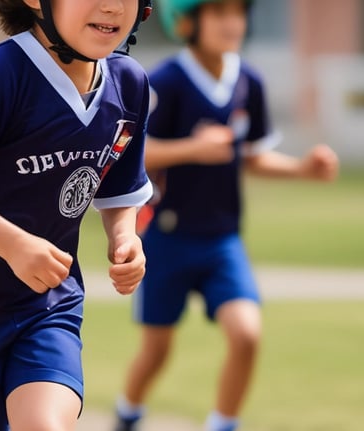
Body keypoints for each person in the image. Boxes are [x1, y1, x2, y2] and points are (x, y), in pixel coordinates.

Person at [0, 0, 154, 429]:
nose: (112, 6)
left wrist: (124, 236)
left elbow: (120, 189)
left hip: (48, 302)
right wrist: (14, 245)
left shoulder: (129, 85)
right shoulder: (0, 74)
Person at [113, 1, 339, 430]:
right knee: (156, 351)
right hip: (167, 238)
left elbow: (251, 157)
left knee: (247, 335)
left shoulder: (248, 81)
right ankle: (127, 412)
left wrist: (303, 169)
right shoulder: (165, 82)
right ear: (186, 22)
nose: (232, 22)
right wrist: (192, 149)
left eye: (238, 12)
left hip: (222, 240)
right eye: (217, 12)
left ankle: (222, 424)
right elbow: (135, 154)